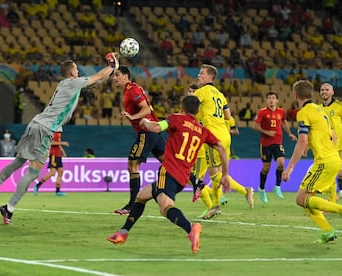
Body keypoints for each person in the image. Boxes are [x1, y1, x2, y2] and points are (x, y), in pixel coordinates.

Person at [0, 53, 119, 224]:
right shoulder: (73, 83)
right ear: (71, 73)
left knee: (17, 163)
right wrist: (111, 64)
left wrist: (112, 71)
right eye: (76, 68)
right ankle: (9, 208)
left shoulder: (68, 85)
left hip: (35, 123)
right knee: (33, 173)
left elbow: (97, 81)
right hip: (45, 129)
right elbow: (97, 76)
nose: (78, 70)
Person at [107, 95, 231, 253]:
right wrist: (225, 174)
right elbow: (221, 148)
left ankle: (191, 228)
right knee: (142, 196)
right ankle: (123, 232)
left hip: (169, 171)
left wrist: (144, 122)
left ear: (182, 108)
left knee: (165, 208)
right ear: (198, 110)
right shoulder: (203, 131)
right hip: (183, 178)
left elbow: (157, 128)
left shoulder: (177, 119)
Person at [282, 80, 342, 244]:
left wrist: (290, 167)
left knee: (301, 199)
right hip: (333, 158)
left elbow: (301, 141)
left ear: (295, 95)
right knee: (305, 198)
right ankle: (328, 231)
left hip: (324, 161)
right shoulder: (321, 111)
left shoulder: (304, 112)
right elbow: (333, 136)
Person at [194, 64, 254, 219]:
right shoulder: (220, 94)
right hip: (225, 135)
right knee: (217, 172)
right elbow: (228, 116)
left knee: (214, 175)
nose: (198, 76)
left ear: (209, 77)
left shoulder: (201, 92)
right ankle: (215, 206)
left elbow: (189, 108)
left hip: (213, 136)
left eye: (201, 73)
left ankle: (245, 190)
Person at [111, 66, 166, 215]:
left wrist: (132, 116)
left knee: (133, 165)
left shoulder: (132, 90)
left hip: (146, 131)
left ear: (125, 76)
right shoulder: (131, 89)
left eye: (117, 75)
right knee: (169, 162)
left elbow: (146, 109)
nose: (114, 78)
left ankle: (132, 205)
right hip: (154, 131)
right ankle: (197, 183)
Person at [252, 91, 297, 204]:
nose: (271, 100)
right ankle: (262, 189)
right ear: (267, 100)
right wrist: (267, 132)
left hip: (278, 143)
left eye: (273, 98)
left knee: (281, 163)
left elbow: (284, 122)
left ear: (277, 100)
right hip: (265, 144)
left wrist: (290, 133)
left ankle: (277, 186)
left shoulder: (281, 112)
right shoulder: (262, 112)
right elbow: (255, 126)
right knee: (266, 168)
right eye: (269, 98)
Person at [33, 132, 69, 196]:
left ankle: (57, 191)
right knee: (53, 172)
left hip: (58, 155)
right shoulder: (53, 133)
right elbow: (50, 143)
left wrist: (63, 152)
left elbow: (58, 144)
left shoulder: (58, 133)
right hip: (53, 155)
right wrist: (62, 143)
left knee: (60, 172)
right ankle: (37, 185)